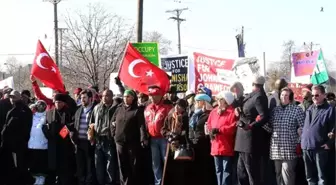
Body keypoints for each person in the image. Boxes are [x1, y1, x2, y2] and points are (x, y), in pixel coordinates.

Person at [235, 75, 269, 185]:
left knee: (252, 174)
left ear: (255, 84)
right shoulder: (252, 96)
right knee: (241, 173)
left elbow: (263, 116)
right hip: (243, 140)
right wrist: (238, 110)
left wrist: (251, 126)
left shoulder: (259, 97)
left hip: (250, 140)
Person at [300, 85, 336, 185]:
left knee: (322, 178)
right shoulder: (310, 109)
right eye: (312, 95)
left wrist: (329, 143)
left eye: (317, 95)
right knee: (310, 177)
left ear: (324, 95)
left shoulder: (330, 110)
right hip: (306, 147)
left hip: (320, 148)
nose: (314, 97)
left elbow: (334, 129)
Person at [111, 90, 148, 185]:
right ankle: (124, 183)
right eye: (124, 96)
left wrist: (143, 138)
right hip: (119, 141)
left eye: (128, 96)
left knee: (133, 164)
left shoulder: (137, 110)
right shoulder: (119, 109)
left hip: (132, 142)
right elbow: (112, 121)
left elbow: (141, 126)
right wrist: (113, 134)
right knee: (122, 165)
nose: (125, 98)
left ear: (133, 98)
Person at [269, 87, 305, 185]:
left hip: (290, 149)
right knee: (278, 174)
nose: (284, 97)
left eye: (286, 95)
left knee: (287, 174)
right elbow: (271, 129)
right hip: (276, 149)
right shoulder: (275, 111)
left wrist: (298, 142)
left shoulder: (297, 110)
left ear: (290, 97)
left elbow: (303, 128)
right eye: (282, 95)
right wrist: (261, 123)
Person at [0, 90, 34, 185]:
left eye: (14, 97)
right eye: (10, 97)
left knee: (19, 167)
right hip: (10, 145)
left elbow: (26, 128)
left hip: (18, 145)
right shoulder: (11, 108)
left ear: (19, 98)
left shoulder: (24, 110)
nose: (11, 99)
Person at [42, 93, 76, 185]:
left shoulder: (69, 112)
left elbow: (71, 125)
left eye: (60, 102)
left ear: (64, 103)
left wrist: (61, 135)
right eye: (56, 102)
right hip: (53, 143)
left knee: (64, 168)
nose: (57, 104)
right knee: (53, 166)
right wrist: (49, 136)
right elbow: (45, 126)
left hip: (65, 144)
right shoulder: (49, 113)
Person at [144, 86, 173, 185]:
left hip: (164, 139)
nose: (152, 97)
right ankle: (158, 182)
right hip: (153, 139)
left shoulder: (167, 108)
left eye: (154, 95)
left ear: (160, 95)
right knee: (155, 163)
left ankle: (167, 181)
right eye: (151, 95)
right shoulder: (148, 108)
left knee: (166, 162)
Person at [89, 90, 119, 185]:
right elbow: (91, 123)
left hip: (109, 140)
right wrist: (91, 135)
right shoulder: (97, 108)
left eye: (107, 96)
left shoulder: (116, 108)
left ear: (112, 96)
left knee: (110, 165)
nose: (104, 98)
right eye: (103, 96)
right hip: (98, 140)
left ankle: (109, 183)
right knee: (98, 164)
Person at [207, 91, 237, 185]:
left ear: (226, 101)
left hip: (226, 145)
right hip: (216, 144)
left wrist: (220, 130)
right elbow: (209, 123)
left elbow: (233, 127)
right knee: (218, 170)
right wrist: (211, 130)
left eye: (221, 99)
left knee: (226, 170)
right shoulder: (214, 111)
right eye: (218, 99)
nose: (219, 101)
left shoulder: (232, 112)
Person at [188, 93, 216, 185]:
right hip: (193, 143)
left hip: (203, 144)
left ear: (203, 102)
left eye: (198, 101)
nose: (195, 103)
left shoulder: (208, 114)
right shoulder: (194, 113)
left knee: (204, 168)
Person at [161, 99, 190, 185]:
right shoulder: (170, 114)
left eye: (179, 106)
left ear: (184, 108)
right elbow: (163, 129)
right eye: (176, 105)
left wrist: (179, 134)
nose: (177, 108)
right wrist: (169, 134)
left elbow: (186, 131)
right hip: (170, 145)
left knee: (179, 171)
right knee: (169, 169)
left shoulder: (184, 117)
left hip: (180, 146)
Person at [72, 89, 96, 185]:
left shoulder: (95, 109)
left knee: (89, 165)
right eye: (81, 98)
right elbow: (74, 124)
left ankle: (88, 182)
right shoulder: (78, 110)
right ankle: (81, 181)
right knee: (80, 165)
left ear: (90, 98)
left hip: (89, 142)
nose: (82, 100)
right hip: (79, 142)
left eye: (84, 98)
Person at [28, 100, 49, 185]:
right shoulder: (31, 116)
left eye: (42, 105)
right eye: (38, 105)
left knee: (42, 165)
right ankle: (35, 179)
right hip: (32, 145)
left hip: (43, 145)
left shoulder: (47, 116)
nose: (40, 107)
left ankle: (41, 179)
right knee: (33, 165)